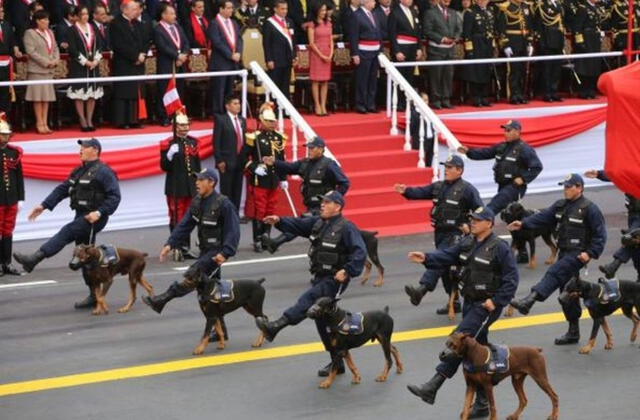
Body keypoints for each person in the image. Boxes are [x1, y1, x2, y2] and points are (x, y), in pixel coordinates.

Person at [406, 206, 518, 417]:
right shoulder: (467, 242)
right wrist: (427, 258)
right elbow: (448, 256)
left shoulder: (499, 247)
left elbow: (512, 279)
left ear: (489, 223)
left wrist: (497, 301)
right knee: (478, 350)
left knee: (458, 341)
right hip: (469, 302)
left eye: (477, 219)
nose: (473, 222)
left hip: (485, 306)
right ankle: (483, 403)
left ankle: (433, 386)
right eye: (472, 219)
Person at [255, 190, 367, 377]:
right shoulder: (318, 223)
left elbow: (360, 253)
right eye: (322, 201)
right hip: (319, 276)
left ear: (338, 207)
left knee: (310, 299)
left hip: (335, 279)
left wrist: (347, 271)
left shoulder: (347, 228)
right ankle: (337, 363)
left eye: (327, 202)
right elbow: (298, 224)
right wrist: (280, 221)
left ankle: (276, 326)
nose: (322, 204)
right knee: (321, 321)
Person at [13, 138, 121, 308]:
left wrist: (99, 212)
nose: (80, 150)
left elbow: (115, 197)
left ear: (95, 150)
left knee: (67, 232)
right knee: (85, 257)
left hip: (93, 218)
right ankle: (95, 295)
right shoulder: (79, 171)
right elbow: (63, 189)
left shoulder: (104, 172)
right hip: (81, 214)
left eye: (84, 147)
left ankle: (35, 258)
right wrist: (44, 205)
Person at [509, 173, 607, 345]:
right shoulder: (560, 205)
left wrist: (590, 253)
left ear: (579, 187)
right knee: (567, 293)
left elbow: (600, 234)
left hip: (578, 254)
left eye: (569, 187)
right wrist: (523, 223)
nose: (566, 190)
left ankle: (530, 299)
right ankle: (573, 332)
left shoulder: (589, 208)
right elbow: (543, 217)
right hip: (564, 252)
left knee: (554, 271)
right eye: (564, 186)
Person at [143, 168, 240, 318]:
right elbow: (185, 225)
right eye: (196, 180)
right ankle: (218, 330)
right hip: (204, 250)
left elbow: (233, 231)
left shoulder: (223, 204)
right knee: (208, 293)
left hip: (216, 253)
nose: (197, 183)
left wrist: (225, 253)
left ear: (212, 182)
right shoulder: (197, 202)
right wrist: (170, 244)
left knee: (193, 275)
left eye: (201, 180)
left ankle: (161, 300)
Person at [399, 155, 483, 315]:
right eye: (446, 167)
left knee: (439, 258)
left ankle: (422, 289)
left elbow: (481, 211)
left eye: (450, 168)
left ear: (460, 170)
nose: (446, 170)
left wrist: (471, 226)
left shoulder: (468, 190)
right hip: (440, 233)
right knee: (445, 269)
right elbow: (422, 192)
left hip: (456, 234)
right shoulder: (439, 186)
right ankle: (455, 302)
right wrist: (406, 191)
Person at [262, 136, 350, 253]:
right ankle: (277, 243)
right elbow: (290, 167)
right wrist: (274, 162)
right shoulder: (305, 163)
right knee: (306, 226)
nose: (309, 150)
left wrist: (333, 198)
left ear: (321, 149)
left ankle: (276, 242)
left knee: (303, 223)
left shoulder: (329, 165)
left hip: (323, 206)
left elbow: (345, 182)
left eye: (312, 148)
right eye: (308, 148)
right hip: (311, 204)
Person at [457, 119, 542, 215]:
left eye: (509, 131)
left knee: (493, 206)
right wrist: (469, 151)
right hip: (502, 185)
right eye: (505, 130)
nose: (506, 133)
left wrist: (523, 178)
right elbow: (484, 153)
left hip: (514, 187)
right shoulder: (502, 147)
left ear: (517, 132)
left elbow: (537, 167)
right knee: (508, 214)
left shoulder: (525, 149)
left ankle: (481, 219)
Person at [243, 104, 286, 252]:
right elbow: (243, 157)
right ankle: (257, 239)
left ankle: (266, 236)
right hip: (260, 179)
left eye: (273, 121)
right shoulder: (254, 137)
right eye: (268, 121)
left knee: (271, 210)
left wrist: (284, 177)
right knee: (259, 210)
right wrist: (254, 167)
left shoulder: (279, 138)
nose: (272, 123)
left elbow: (282, 159)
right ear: (261, 121)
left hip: (274, 179)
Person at [584, 169, 640, 281]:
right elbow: (619, 173)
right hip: (633, 214)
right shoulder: (633, 164)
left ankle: (614, 265)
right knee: (635, 249)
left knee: (630, 239)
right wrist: (599, 174)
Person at [160, 107, 201, 259]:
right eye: (181, 126)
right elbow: (164, 166)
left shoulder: (193, 142)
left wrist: (199, 183)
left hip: (190, 185)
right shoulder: (168, 143)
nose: (184, 128)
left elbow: (196, 165)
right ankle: (176, 246)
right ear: (175, 127)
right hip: (175, 185)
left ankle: (186, 246)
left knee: (189, 216)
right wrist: (170, 155)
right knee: (177, 217)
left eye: (186, 125)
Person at [66, 5, 104, 132]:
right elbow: (72, 49)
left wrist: (96, 60)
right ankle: (82, 119)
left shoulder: (93, 28)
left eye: (87, 14)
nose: (85, 16)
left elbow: (100, 45)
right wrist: (86, 62)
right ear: (77, 16)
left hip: (94, 66)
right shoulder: (72, 30)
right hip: (79, 66)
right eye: (82, 14)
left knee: (91, 94)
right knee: (80, 94)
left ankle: (90, 119)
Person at [109, 0, 146, 129]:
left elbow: (144, 41)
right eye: (133, 9)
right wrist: (135, 56)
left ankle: (135, 119)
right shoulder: (115, 24)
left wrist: (142, 54)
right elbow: (119, 45)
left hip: (138, 63)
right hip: (124, 63)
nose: (136, 12)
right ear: (124, 10)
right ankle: (122, 121)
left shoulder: (137, 24)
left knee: (136, 92)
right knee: (124, 93)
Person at [24, 9, 60, 135]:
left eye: (48, 19)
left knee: (46, 98)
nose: (47, 22)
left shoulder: (50, 32)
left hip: (49, 71)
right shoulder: (30, 33)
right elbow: (31, 52)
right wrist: (46, 62)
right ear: (37, 21)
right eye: (44, 19)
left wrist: (55, 59)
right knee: (38, 99)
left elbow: (55, 47)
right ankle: (39, 123)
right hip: (37, 70)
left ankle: (45, 123)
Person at [154, 3, 189, 126]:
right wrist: (177, 56)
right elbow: (162, 46)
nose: (175, 16)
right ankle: (164, 116)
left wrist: (183, 55)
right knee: (165, 91)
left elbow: (185, 42)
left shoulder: (177, 27)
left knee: (179, 90)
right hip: (166, 64)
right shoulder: (158, 29)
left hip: (180, 64)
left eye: (174, 13)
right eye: (172, 13)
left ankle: (178, 115)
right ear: (163, 15)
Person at [423, 0, 462, 109]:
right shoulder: (430, 13)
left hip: (450, 50)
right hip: (436, 50)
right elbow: (427, 31)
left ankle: (446, 99)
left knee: (448, 76)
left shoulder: (453, 12)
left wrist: (456, 38)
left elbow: (459, 28)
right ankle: (436, 100)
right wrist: (441, 39)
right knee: (436, 76)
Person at [496, 0, 534, 104]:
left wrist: (530, 42)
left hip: (524, 42)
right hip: (512, 42)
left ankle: (521, 94)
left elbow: (529, 26)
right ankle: (513, 95)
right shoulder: (506, 7)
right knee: (514, 70)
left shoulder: (526, 6)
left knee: (522, 70)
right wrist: (505, 44)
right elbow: (501, 27)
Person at [208, 0, 243, 115]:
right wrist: (230, 55)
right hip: (220, 61)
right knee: (219, 89)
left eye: (232, 8)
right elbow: (217, 42)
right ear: (221, 9)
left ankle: (229, 112)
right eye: (228, 8)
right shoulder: (214, 23)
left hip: (232, 62)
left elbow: (239, 39)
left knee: (229, 89)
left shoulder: (233, 23)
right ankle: (218, 113)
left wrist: (238, 52)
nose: (231, 10)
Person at [214, 95, 247, 213]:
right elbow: (216, 142)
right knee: (226, 190)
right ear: (227, 106)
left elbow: (244, 140)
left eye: (239, 103)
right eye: (235, 103)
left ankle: (235, 214)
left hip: (240, 161)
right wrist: (219, 161)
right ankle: (226, 215)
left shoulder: (242, 120)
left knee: (237, 190)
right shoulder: (221, 120)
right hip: (226, 162)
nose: (238, 106)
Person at [0, 112, 23, 276]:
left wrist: (20, 197)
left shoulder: (14, 153)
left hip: (11, 199)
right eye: (3, 134)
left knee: (8, 231)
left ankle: (6, 263)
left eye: (7, 134)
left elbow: (18, 177)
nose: (6, 137)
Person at [388, 0, 423, 109]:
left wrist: (419, 47)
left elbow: (418, 32)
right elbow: (392, 33)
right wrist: (396, 50)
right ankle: (399, 102)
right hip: (401, 46)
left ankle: (407, 100)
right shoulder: (394, 13)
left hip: (413, 47)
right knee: (400, 76)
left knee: (410, 76)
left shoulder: (413, 11)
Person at [349, 0, 383, 113]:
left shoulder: (374, 14)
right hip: (363, 50)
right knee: (362, 79)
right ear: (366, 2)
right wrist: (355, 53)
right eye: (373, 1)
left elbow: (379, 33)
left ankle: (371, 103)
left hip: (375, 51)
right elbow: (353, 36)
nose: (375, 3)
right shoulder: (356, 15)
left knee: (373, 79)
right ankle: (360, 104)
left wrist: (380, 49)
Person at [460, 0, 495, 107]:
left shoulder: (489, 11)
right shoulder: (471, 12)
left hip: (487, 44)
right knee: (476, 72)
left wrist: (493, 46)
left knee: (486, 70)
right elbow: (467, 33)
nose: (483, 1)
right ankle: (476, 97)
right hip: (476, 45)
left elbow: (491, 29)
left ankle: (484, 96)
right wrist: (469, 49)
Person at [262, 0, 297, 101]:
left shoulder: (289, 21)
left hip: (288, 58)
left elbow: (293, 41)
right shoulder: (269, 23)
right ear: (275, 9)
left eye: (286, 9)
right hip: (275, 59)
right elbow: (266, 43)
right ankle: (275, 109)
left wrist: (294, 55)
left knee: (285, 85)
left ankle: (285, 109)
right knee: (275, 85)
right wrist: (269, 59)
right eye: (282, 9)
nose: (285, 11)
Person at [533, 0, 566, 102]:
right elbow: (539, 24)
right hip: (547, 40)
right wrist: (541, 41)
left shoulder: (559, 5)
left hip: (558, 41)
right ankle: (547, 93)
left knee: (556, 69)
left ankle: (554, 91)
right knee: (547, 69)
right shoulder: (541, 5)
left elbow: (561, 24)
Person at [573, 0, 606, 99]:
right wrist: (580, 41)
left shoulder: (595, 8)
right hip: (586, 39)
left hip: (594, 39)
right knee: (585, 66)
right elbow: (577, 27)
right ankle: (584, 91)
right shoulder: (582, 8)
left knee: (594, 65)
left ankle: (591, 90)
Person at [307, 1, 333, 116]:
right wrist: (321, 55)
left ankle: (323, 105)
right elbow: (311, 43)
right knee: (316, 80)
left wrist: (331, 53)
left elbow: (330, 39)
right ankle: (317, 104)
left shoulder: (328, 23)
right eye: (321, 10)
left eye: (325, 10)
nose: (324, 12)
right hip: (317, 54)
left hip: (327, 53)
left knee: (325, 81)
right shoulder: (312, 24)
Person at [0, 4, 22, 115]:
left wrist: (16, 49)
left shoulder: (7, 25)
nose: (2, 13)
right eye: (0, 11)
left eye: (3, 11)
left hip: (6, 63)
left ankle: (4, 123)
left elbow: (13, 41)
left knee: (6, 92)